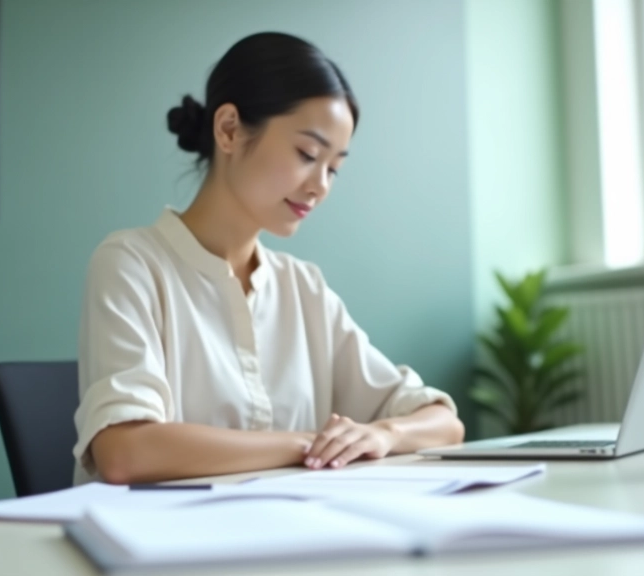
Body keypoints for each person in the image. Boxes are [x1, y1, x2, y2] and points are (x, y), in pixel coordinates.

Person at [73, 32, 464, 486]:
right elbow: (125, 452)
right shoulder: (130, 264)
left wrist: (383, 433)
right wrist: (310, 444)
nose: (320, 186)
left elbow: (443, 422)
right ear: (229, 129)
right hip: (159, 546)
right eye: (307, 154)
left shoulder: (304, 287)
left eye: (333, 167)